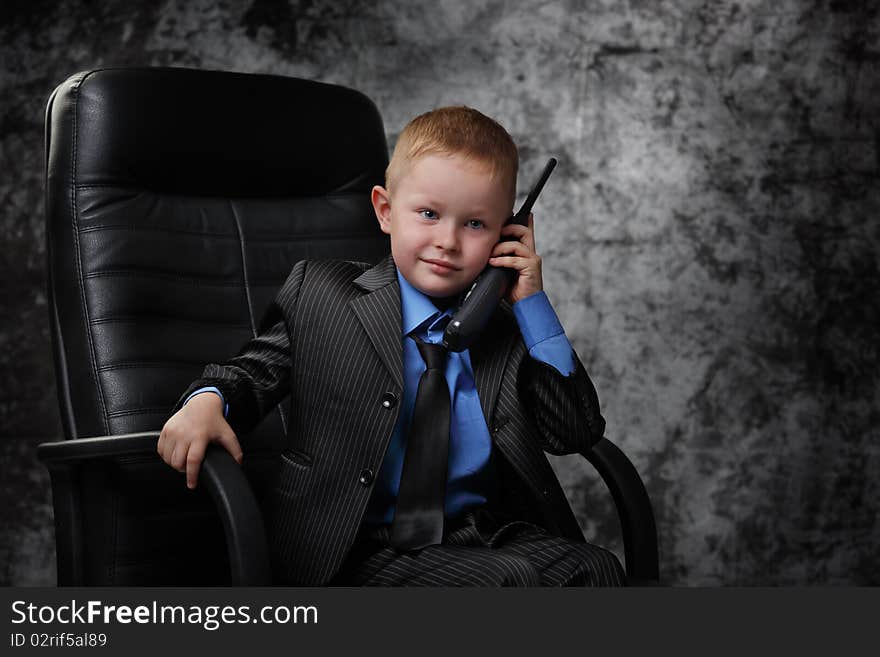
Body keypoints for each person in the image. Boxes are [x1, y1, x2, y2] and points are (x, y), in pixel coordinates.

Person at [157, 106, 625, 586]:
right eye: (428, 214)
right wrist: (206, 401)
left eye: (476, 225)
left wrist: (531, 305)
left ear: (507, 234)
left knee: (597, 569)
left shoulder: (505, 328)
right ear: (385, 210)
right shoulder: (323, 294)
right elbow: (251, 374)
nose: (447, 241)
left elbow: (574, 433)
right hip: (354, 546)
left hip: (477, 536)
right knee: (504, 583)